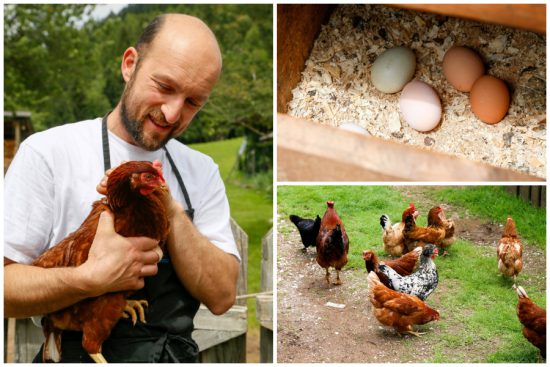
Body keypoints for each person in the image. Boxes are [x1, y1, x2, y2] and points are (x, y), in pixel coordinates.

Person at [4, 13, 240, 363]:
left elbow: (221, 297)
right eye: (165, 86)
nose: (173, 114)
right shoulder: (50, 153)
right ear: (130, 65)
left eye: (193, 102)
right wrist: (89, 279)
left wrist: (168, 207)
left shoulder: (201, 171)